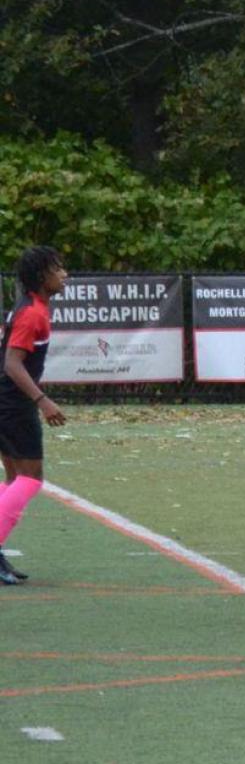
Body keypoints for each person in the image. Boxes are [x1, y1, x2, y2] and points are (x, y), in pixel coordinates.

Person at [0, 246, 69, 586]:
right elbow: (11, 363)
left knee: (14, 479)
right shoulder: (32, 314)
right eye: (58, 269)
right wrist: (42, 400)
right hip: (12, 404)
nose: (64, 274)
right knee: (30, 478)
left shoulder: (33, 308)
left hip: (7, 401)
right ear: (42, 276)